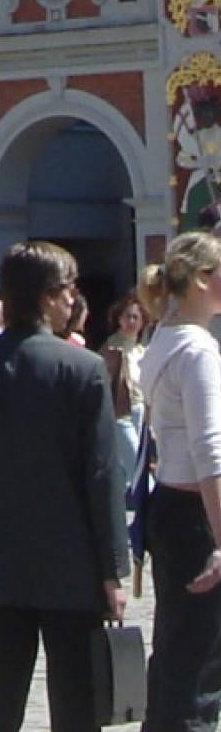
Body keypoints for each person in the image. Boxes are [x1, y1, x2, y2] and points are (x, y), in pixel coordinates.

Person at [0, 240, 128, 732]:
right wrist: (113, 569)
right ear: (46, 297)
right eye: (68, 290)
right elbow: (102, 475)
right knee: (77, 705)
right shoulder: (81, 369)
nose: (73, 301)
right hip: (71, 563)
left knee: (0, 703)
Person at [137, 232, 221, 731]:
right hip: (197, 516)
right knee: (200, 668)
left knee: (174, 656)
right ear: (203, 280)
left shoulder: (164, 338)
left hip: (171, 505)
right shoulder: (197, 352)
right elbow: (211, 453)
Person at [101, 291, 146, 493]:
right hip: (121, 414)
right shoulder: (111, 348)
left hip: (140, 410)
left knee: (130, 466)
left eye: (136, 317)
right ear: (118, 319)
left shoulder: (140, 350)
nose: (131, 321)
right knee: (136, 463)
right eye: (127, 316)